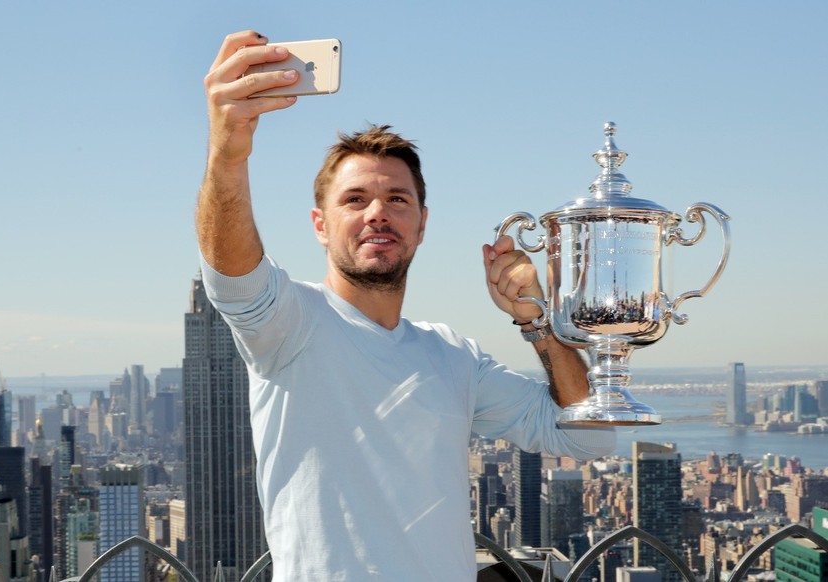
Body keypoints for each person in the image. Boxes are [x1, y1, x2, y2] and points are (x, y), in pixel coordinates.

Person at [196, 30, 615, 581]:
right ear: (320, 225)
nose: (377, 213)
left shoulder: (452, 357)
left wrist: (538, 320)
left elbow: (587, 434)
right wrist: (229, 151)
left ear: (422, 225)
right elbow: (232, 272)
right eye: (354, 200)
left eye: (397, 199)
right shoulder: (289, 323)